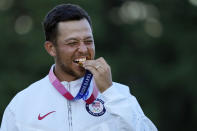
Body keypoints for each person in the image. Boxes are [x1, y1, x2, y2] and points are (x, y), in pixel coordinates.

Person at [0, 3, 157, 131]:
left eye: (88, 41)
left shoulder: (118, 95)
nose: (83, 49)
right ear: (51, 48)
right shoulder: (22, 104)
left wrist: (110, 92)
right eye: (72, 43)